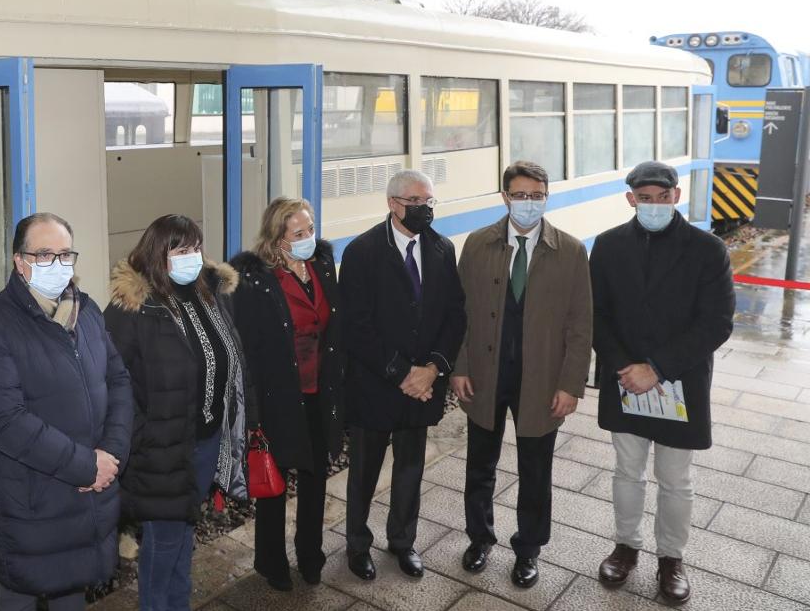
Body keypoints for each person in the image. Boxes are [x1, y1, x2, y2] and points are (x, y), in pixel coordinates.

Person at [0, 212, 133, 611]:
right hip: (35, 500)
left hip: (90, 494)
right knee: (20, 591)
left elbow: (119, 381)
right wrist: (85, 466)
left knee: (72, 590)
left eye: (65, 254)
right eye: (43, 254)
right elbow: (2, 419)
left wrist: (111, 454)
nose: (57, 264)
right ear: (20, 262)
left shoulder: (86, 312)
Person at [590, 161, 734, 605]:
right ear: (630, 199)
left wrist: (656, 368)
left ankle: (671, 558)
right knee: (626, 471)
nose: (654, 205)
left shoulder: (708, 249)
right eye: (644, 198)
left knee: (675, 479)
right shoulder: (608, 245)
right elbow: (596, 315)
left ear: (676, 196)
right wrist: (624, 367)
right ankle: (625, 546)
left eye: (662, 197)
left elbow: (717, 322)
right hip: (624, 381)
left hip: (679, 381)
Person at [452, 161, 592, 589]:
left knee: (535, 471)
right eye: (520, 195)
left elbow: (581, 325)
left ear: (546, 197)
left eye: (536, 195)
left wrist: (570, 384)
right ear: (505, 197)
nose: (528, 202)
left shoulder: (570, 251)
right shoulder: (477, 244)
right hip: (485, 376)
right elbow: (459, 313)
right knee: (480, 466)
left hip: (542, 381)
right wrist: (459, 368)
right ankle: (479, 538)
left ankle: (528, 549)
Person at [104, 215, 248, 611]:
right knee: (164, 541)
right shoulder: (131, 309)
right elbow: (111, 385)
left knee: (184, 533)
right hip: (160, 450)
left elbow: (231, 358)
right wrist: (141, 439)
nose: (192, 257)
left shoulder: (209, 293)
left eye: (196, 248)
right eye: (180, 250)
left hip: (205, 442)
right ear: (157, 254)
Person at [341, 170, 466, 582]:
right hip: (375, 384)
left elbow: (454, 315)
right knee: (364, 472)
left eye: (429, 201)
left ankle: (402, 541)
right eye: (415, 202)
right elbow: (356, 326)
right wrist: (402, 373)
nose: (424, 209)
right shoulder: (362, 252)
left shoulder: (442, 248)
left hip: (423, 386)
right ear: (393, 204)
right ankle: (357, 545)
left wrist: (432, 369)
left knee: (411, 468)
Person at [231, 197, 345, 590]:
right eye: (298, 233)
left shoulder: (321, 265)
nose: (308, 237)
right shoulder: (256, 281)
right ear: (277, 238)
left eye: (310, 229)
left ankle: (311, 555)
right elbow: (247, 349)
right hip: (278, 397)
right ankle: (271, 561)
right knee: (274, 481)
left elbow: (334, 328)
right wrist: (252, 412)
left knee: (315, 478)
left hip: (318, 392)